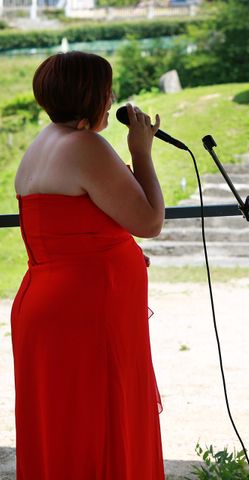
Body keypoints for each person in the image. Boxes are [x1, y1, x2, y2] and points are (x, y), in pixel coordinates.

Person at [11, 51, 166, 478]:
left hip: (49, 304)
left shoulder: (41, 143)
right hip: (87, 314)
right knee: (101, 424)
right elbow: (149, 221)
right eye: (108, 89)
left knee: (64, 427)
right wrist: (142, 152)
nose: (111, 97)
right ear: (95, 96)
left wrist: (116, 250)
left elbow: (71, 231)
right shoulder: (86, 146)